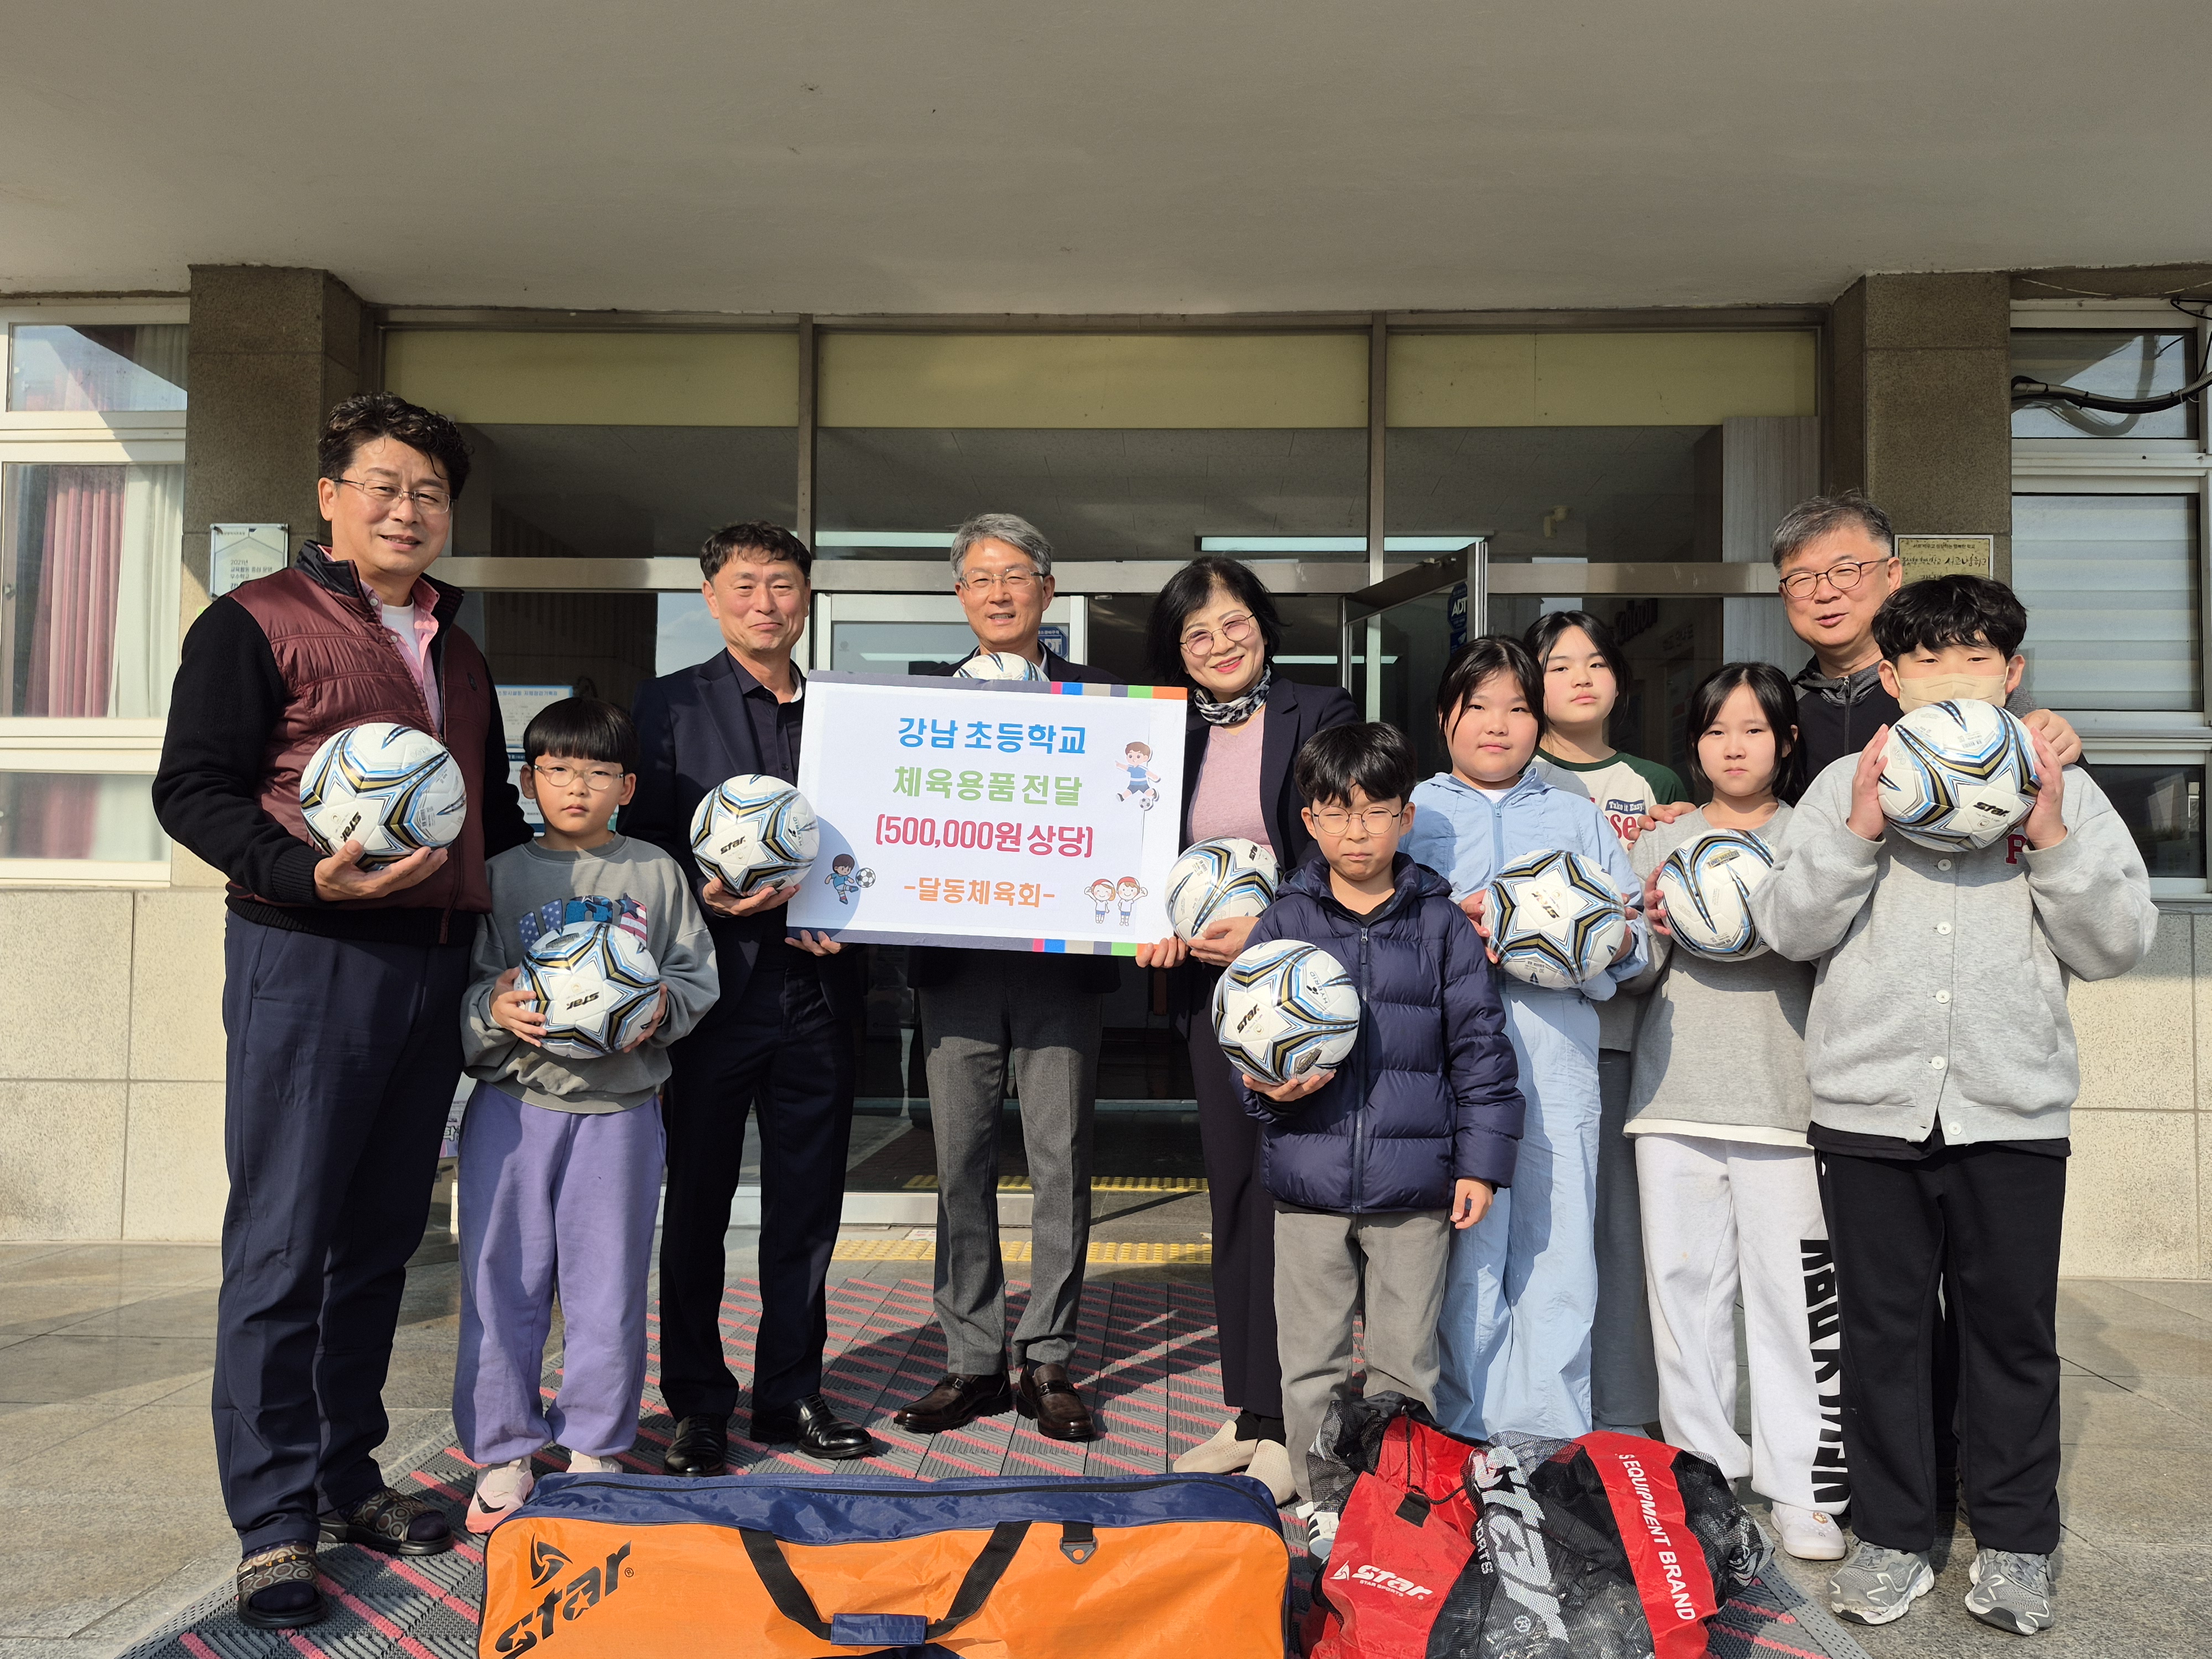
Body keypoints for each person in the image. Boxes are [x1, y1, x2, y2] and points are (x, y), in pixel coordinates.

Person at [152, 393, 530, 1628]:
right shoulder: (252, 621)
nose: (405, 509)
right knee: (282, 1243)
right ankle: (271, 1524)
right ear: (330, 495)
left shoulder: (458, 652)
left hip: (432, 968)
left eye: (428, 493)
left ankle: (342, 1474)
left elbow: (499, 824)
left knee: (376, 1242)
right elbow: (193, 788)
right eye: (383, 484)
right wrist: (297, 870)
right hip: (306, 958)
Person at [1749, 576, 2156, 1636]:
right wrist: (1861, 826)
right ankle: (1894, 1535)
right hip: (1870, 1108)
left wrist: (2056, 833)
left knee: (2011, 1335)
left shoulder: (2061, 777)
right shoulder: (1846, 776)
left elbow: (2115, 947)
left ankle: (2018, 1543)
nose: (1951, 677)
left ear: (2012, 673)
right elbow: (1788, 927)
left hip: (2011, 1110)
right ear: (1891, 677)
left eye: (1977, 657)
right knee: (1880, 1336)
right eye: (1926, 659)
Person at [1234, 722, 1522, 1547]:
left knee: (1404, 1362)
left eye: (1376, 810)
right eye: (1336, 810)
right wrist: (1260, 1088)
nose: (1356, 829)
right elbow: (1239, 1044)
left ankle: (1401, 1502)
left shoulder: (1439, 924)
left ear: (1406, 816)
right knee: (1314, 1363)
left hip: (1415, 1189)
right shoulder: (1283, 919)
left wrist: (1480, 1166)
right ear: (1310, 819)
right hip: (1308, 1185)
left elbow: (1480, 1051)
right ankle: (1324, 1497)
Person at [626, 521, 873, 1471]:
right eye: (744, 584)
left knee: (807, 1208)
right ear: (710, 596)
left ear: (807, 597)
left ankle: (792, 1395)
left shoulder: (854, 714)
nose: (764, 602)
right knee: (695, 1202)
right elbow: (640, 847)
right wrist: (702, 893)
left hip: (821, 988)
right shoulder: (668, 707)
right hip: (710, 993)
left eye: (781, 584)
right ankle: (696, 1401)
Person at [454, 698, 718, 1530]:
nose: (578, 785)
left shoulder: (656, 873)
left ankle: (598, 1444)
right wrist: (493, 1011)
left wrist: (660, 1007)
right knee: (503, 1281)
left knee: (607, 1286)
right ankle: (503, 1452)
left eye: (599, 771)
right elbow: (469, 987)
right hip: (515, 1105)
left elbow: (695, 975)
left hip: (624, 1109)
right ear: (530, 781)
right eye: (559, 769)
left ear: (627, 786)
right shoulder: (499, 875)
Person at [896, 513, 1124, 1443]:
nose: (998, 592)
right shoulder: (910, 708)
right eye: (981, 577)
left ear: (1047, 592)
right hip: (952, 974)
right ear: (960, 596)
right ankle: (973, 1361)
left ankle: (1051, 1357)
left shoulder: (1104, 704)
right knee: (959, 1167)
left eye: (1017, 576)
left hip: (1060, 975)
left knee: (1062, 1164)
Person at [1131, 556, 1354, 1498]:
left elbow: (1336, 842)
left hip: (1297, 991)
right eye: (1196, 634)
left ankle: (1296, 1417)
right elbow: (1126, 847)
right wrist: (1140, 923)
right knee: (1230, 1192)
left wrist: (1265, 926)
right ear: (1176, 653)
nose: (1219, 645)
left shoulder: (1320, 711)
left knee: (1293, 1201)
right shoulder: (1157, 731)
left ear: (1263, 625)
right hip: (1205, 998)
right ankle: (1249, 1411)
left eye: (1233, 624)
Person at [1626, 664, 1845, 1564]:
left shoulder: (1816, 838)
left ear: (1787, 743)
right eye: (1718, 731)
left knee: (1797, 1302)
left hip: (1785, 1101)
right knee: (1684, 1301)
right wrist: (1645, 931)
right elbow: (1631, 975)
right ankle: (1701, 1481)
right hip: (1671, 1096)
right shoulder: (1661, 843)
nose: (1735, 747)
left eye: (1755, 730)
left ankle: (1805, 1489)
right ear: (1697, 746)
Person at [1402, 635, 1647, 1442]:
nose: (1498, 726)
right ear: (1446, 719)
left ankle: (1546, 1437)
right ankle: (1462, 1430)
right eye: (1479, 708)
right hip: (1447, 1066)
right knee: (1466, 1245)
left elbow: (1641, 938)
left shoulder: (1577, 817)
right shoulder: (1414, 814)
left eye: (1518, 709)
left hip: (1559, 1056)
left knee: (1557, 1242)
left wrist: (1604, 944)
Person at [1525, 608, 1683, 1439]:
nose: (1580, 678)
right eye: (1557, 666)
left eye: (1594, 662)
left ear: (1620, 678)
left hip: (1628, 1032)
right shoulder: (1520, 774)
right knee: (1548, 1235)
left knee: (1621, 1240)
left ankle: (1625, 1422)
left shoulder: (1655, 782)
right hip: (1540, 1037)